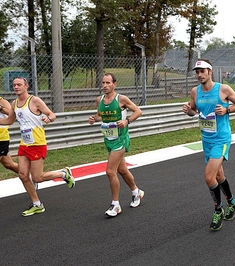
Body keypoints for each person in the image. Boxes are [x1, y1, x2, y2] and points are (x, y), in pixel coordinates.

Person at [0, 77, 75, 216]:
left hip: (38, 143)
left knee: (37, 177)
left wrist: (49, 118)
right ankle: (37, 204)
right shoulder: (14, 103)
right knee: (22, 175)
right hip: (24, 144)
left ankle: (63, 174)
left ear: (26, 86)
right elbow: (10, 120)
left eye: (19, 85)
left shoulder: (34, 100)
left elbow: (52, 114)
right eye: (14, 85)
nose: (16, 87)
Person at [182, 59, 235, 231]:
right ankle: (232, 202)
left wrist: (227, 110)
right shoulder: (195, 91)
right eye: (197, 72)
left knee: (209, 177)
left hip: (221, 139)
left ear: (210, 71)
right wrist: (189, 111)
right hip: (206, 139)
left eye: (202, 71)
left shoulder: (222, 89)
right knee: (218, 177)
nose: (199, 74)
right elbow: (194, 111)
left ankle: (218, 210)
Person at [88, 73, 144, 217]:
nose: (105, 86)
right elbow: (100, 115)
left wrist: (127, 121)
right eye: (103, 83)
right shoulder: (99, 100)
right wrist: (94, 118)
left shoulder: (121, 99)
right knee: (123, 170)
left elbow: (138, 111)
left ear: (114, 84)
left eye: (108, 83)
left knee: (110, 171)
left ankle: (115, 205)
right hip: (109, 139)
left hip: (121, 139)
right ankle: (136, 192)